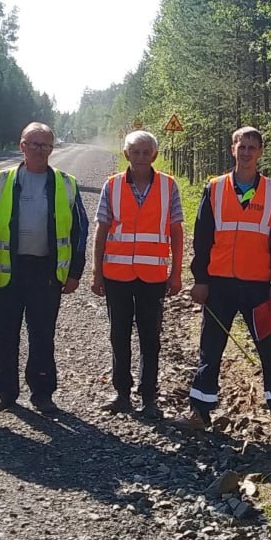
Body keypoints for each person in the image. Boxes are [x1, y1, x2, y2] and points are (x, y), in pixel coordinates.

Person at [178, 126, 271, 433]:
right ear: (232, 149)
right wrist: (200, 279)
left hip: (259, 285)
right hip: (218, 284)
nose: (246, 152)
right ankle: (200, 411)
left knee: (267, 347)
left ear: (260, 152)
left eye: (252, 147)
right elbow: (202, 237)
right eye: (241, 146)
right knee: (210, 347)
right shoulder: (215, 188)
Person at [0, 122, 88, 413]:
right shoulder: (0, 181)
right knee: (3, 335)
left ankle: (42, 394)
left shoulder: (66, 183)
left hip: (47, 273)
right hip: (7, 271)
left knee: (42, 335)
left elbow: (81, 229)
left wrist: (75, 272)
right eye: (34, 144)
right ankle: (4, 394)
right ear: (22, 146)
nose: (40, 150)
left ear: (52, 149)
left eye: (46, 145)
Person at [90, 130, 184, 418]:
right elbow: (102, 229)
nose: (141, 157)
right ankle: (121, 393)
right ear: (126, 154)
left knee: (150, 337)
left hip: (153, 276)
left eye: (146, 152)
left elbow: (177, 232)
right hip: (116, 274)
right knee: (118, 335)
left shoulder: (169, 186)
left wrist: (176, 273)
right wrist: (96, 270)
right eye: (135, 151)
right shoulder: (112, 185)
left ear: (154, 155)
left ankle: (148, 396)